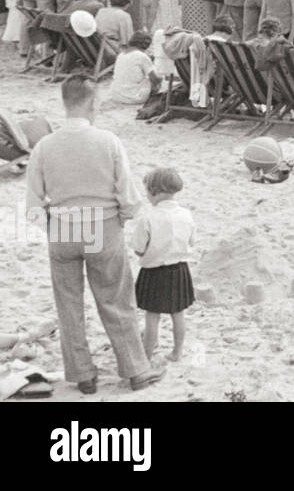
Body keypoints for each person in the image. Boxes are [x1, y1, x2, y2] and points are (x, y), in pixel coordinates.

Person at [25, 74, 165, 392]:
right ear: (93, 102)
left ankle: (83, 374)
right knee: (116, 298)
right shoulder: (108, 141)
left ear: (64, 102)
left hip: (62, 226)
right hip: (101, 225)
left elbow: (33, 205)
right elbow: (129, 196)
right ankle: (135, 369)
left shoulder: (45, 146)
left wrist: (53, 225)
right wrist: (122, 219)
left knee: (69, 304)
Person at [130, 168, 195, 362]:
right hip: (180, 269)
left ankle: (147, 354)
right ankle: (177, 351)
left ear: (154, 191)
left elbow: (139, 249)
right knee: (178, 313)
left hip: (154, 272)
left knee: (152, 315)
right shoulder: (186, 214)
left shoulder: (148, 217)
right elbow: (191, 242)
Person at [109, 30, 160, 105]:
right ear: (146, 45)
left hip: (115, 95)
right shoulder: (142, 56)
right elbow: (155, 79)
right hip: (132, 97)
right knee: (153, 79)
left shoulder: (121, 55)